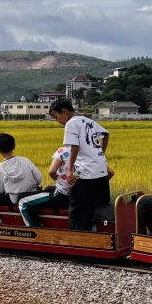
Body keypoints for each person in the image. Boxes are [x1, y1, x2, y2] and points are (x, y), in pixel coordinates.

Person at [50, 99, 111, 231]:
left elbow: (74, 147)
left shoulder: (71, 124)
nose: (58, 121)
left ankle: (79, 243)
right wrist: (100, 154)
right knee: (97, 206)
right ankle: (98, 235)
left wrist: (70, 169)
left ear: (64, 112)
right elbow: (106, 135)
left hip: (85, 173)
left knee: (77, 211)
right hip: (101, 172)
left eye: (56, 117)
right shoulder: (87, 120)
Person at [20, 142, 71, 227]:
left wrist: (56, 179)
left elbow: (51, 171)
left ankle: (36, 231)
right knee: (49, 188)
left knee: (22, 202)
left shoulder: (62, 151)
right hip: (80, 194)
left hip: (63, 195)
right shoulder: (89, 153)